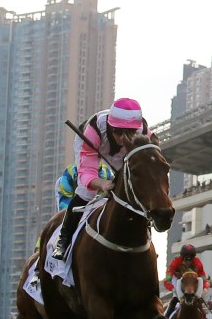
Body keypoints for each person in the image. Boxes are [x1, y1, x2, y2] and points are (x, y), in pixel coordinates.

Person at [53, 98, 153, 260]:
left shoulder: (144, 134)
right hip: (93, 144)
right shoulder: (94, 131)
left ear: (137, 130)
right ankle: (63, 241)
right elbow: (87, 172)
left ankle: (145, 236)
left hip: (121, 152)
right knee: (86, 192)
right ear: (110, 125)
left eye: (129, 133)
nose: (123, 139)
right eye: (118, 132)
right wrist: (102, 183)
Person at [163, 244, 210, 319]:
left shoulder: (198, 263)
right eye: (186, 259)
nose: (188, 262)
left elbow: (204, 279)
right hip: (178, 279)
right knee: (176, 296)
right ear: (182, 257)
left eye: (190, 259)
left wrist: (205, 289)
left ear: (193, 258)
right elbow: (167, 279)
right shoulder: (175, 262)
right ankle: (167, 316)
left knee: (200, 281)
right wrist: (173, 289)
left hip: (191, 280)